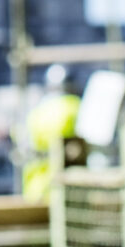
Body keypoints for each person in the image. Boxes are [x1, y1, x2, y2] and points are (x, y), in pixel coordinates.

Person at [19, 65, 85, 200]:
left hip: (35, 188)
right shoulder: (76, 107)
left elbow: (22, 144)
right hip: (68, 188)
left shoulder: (36, 111)